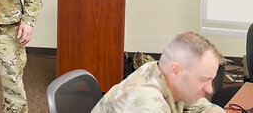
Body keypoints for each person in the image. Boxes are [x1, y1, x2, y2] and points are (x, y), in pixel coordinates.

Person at [91, 31, 225, 113]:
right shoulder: (147, 105)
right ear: (176, 70)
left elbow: (202, 107)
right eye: (203, 80)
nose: (209, 89)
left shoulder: (162, 73)